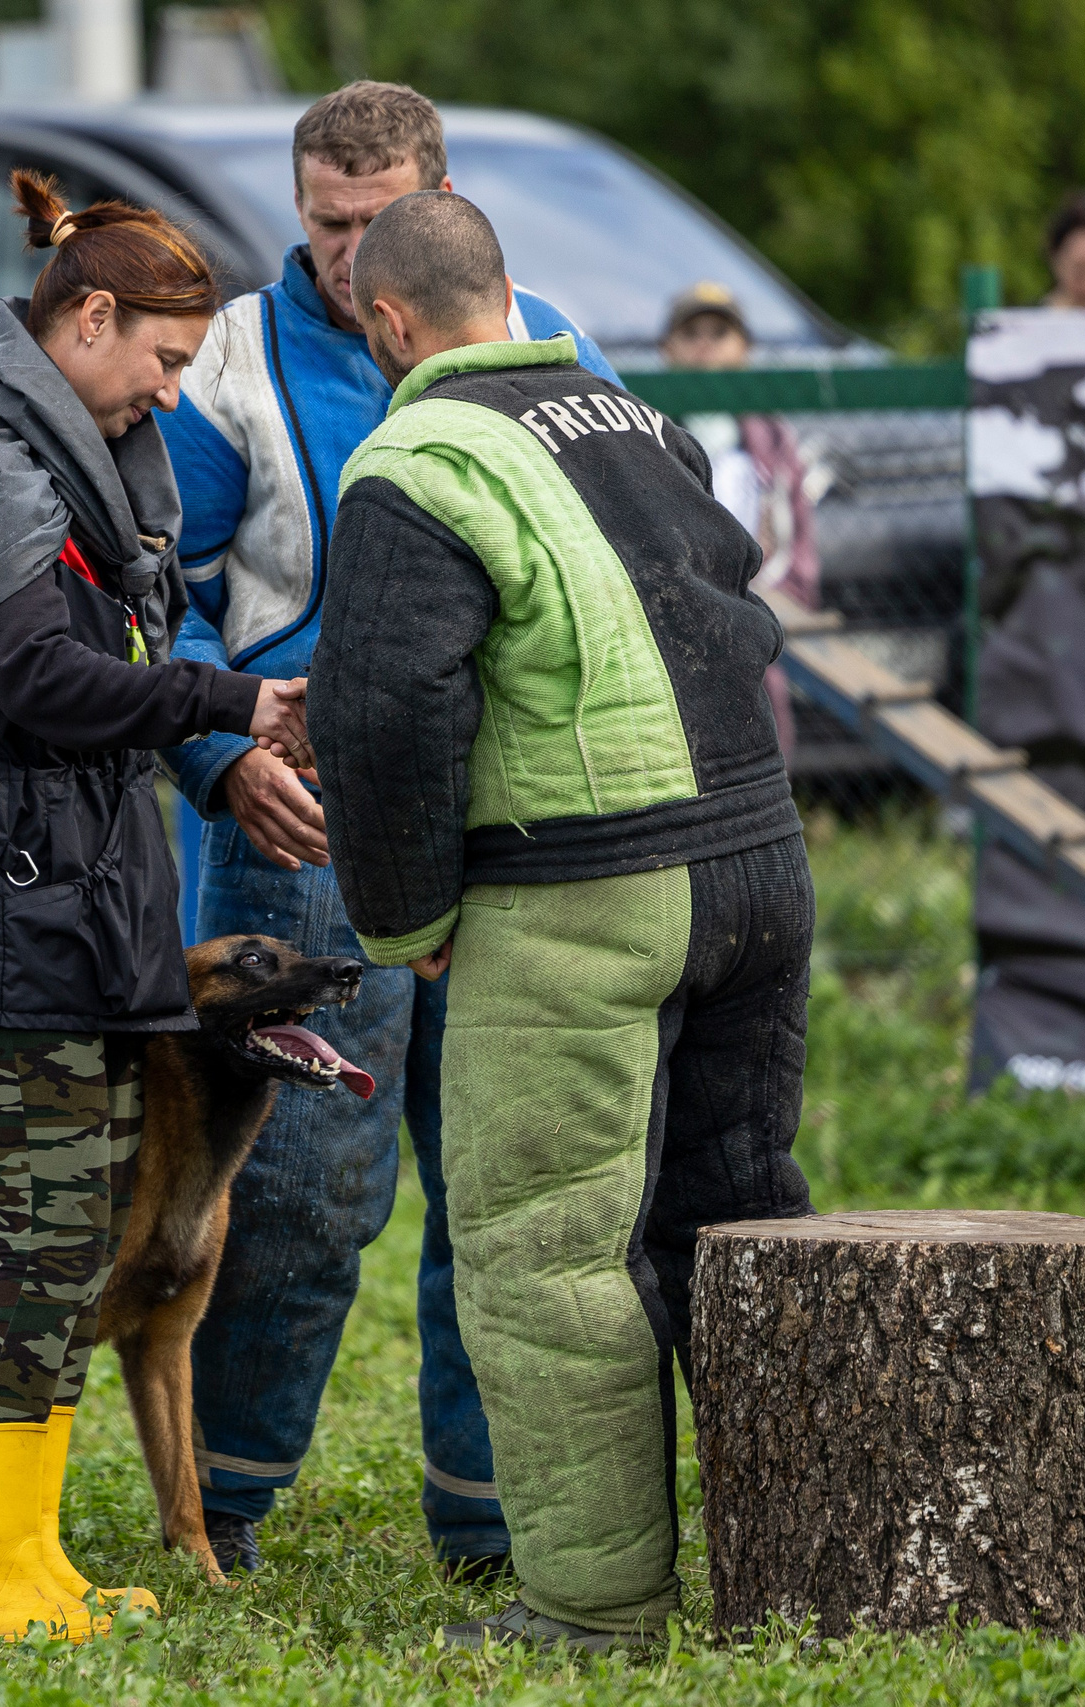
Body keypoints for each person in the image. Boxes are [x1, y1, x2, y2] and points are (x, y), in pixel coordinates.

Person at [309, 191, 815, 1653]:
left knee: (545, 1249)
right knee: (735, 1221)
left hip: (586, 881)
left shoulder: (412, 458)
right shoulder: (641, 422)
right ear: (512, 294)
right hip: (761, 867)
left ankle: (596, 1609)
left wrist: (408, 919)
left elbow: (386, 705)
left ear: (388, 324)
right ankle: (795, 1565)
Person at [155, 77, 616, 1584]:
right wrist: (222, 754)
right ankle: (219, 1506)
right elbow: (160, 598)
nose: (349, 255)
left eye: (374, 222)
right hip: (300, 837)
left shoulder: (536, 336)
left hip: (509, 823)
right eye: (324, 222)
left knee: (496, 1184)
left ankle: (489, 1524)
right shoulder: (227, 357)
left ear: (438, 198)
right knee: (292, 1190)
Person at [0, 170, 310, 1641]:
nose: (170, 399)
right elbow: (40, 681)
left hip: (72, 908)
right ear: (89, 317)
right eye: (163, 363)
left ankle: (28, 1557)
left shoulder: (66, 457)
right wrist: (224, 694)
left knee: (64, 1254)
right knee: (46, 1249)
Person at [661, 281, 820, 756]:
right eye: (692, 333)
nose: (705, 343)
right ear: (667, 347)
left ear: (744, 347)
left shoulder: (772, 438)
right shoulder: (645, 427)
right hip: (676, 609)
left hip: (758, 604)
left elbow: (797, 535)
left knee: (764, 730)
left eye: (719, 331)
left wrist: (782, 600)